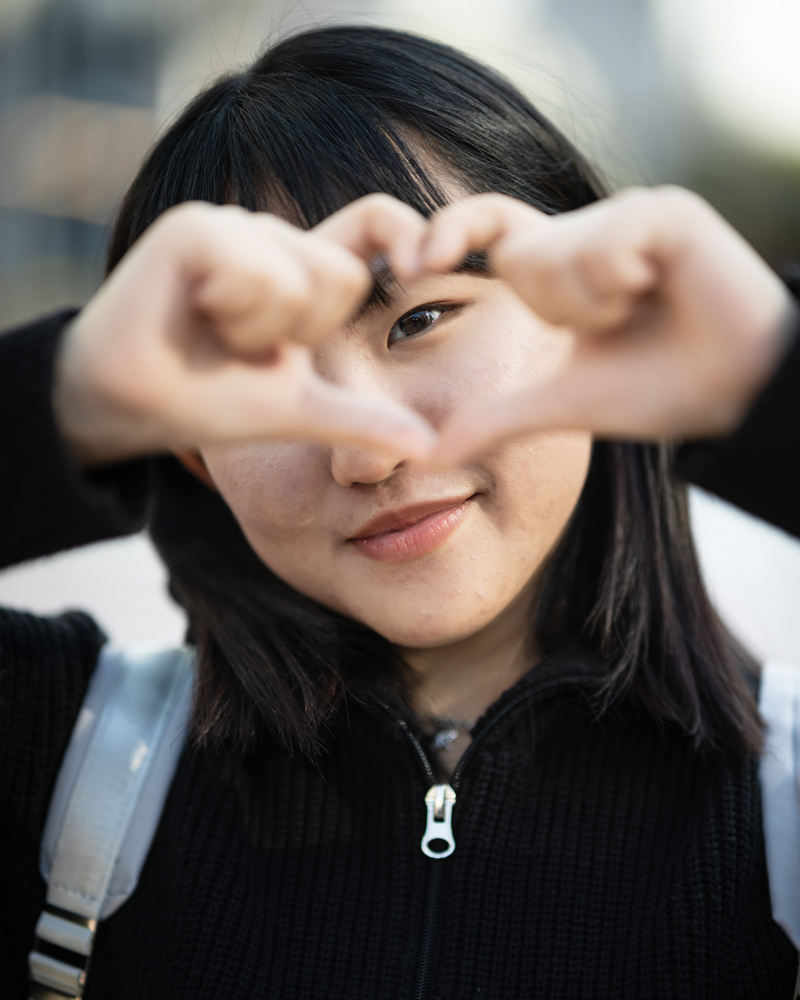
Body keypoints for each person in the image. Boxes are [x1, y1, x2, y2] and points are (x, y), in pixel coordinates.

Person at [1, 24, 798, 999]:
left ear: (592, 318)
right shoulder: (62, 763)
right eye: (263, 375)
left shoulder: (779, 818)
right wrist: (68, 396)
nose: (365, 449)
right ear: (187, 449)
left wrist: (768, 376)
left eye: (418, 320)